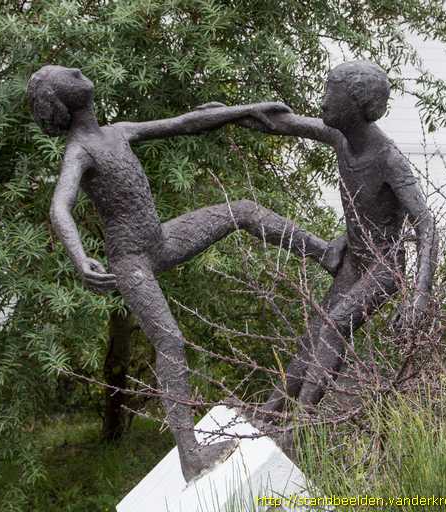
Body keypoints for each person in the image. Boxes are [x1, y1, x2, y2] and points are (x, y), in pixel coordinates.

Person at [27, 64, 346, 481]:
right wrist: (79, 256)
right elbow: (59, 207)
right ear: (63, 100)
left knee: (243, 211)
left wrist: (244, 109)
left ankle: (325, 253)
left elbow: (185, 123)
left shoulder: (117, 132)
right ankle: (190, 456)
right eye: (67, 75)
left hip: (162, 241)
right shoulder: (79, 152)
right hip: (131, 261)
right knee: (170, 342)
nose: (76, 69)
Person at [215, 60, 439, 412]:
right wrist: (223, 115)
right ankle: (273, 410)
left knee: (334, 326)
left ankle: (300, 423)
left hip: (384, 270)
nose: (322, 102)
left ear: (357, 105)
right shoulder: (340, 137)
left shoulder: (389, 160)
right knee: (315, 331)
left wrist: (420, 295)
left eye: (331, 95)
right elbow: (281, 122)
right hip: (355, 260)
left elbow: (425, 225)